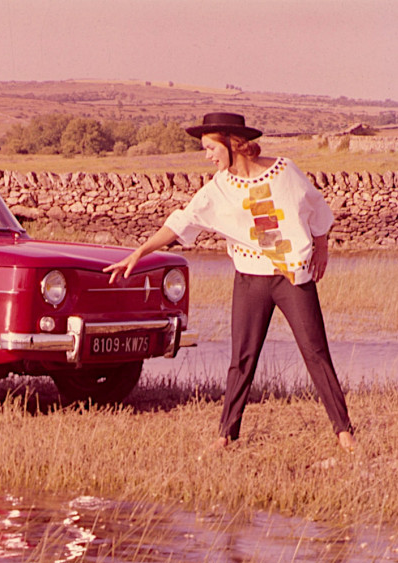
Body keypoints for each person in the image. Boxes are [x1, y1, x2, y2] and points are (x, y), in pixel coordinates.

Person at [104, 112, 357, 453]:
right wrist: (139, 253)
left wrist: (322, 247)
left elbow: (316, 206)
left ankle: (344, 432)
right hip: (250, 279)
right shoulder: (219, 188)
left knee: (315, 352)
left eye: (211, 148)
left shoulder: (285, 170)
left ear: (231, 143)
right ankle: (226, 435)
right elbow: (181, 222)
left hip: (291, 276)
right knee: (242, 359)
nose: (208, 156)